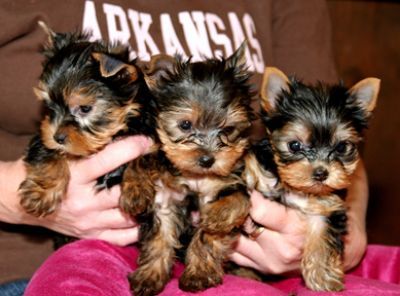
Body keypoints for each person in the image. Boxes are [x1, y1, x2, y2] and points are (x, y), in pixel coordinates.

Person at [0, 0, 399, 295]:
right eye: (186, 127)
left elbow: (332, 133)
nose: (206, 151)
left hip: (248, 266)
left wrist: (341, 231)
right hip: (28, 263)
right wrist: (17, 197)